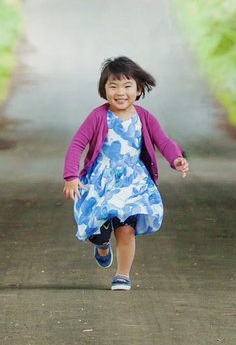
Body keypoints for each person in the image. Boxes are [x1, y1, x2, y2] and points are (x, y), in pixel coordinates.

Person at [62, 56, 189, 292]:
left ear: (139, 90)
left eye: (127, 86)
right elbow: (77, 144)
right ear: (104, 90)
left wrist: (176, 159)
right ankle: (101, 245)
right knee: (98, 229)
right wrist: (71, 176)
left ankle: (122, 274)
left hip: (133, 182)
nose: (120, 92)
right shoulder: (98, 116)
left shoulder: (145, 117)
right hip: (100, 181)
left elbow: (163, 141)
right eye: (113, 86)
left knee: (126, 227)